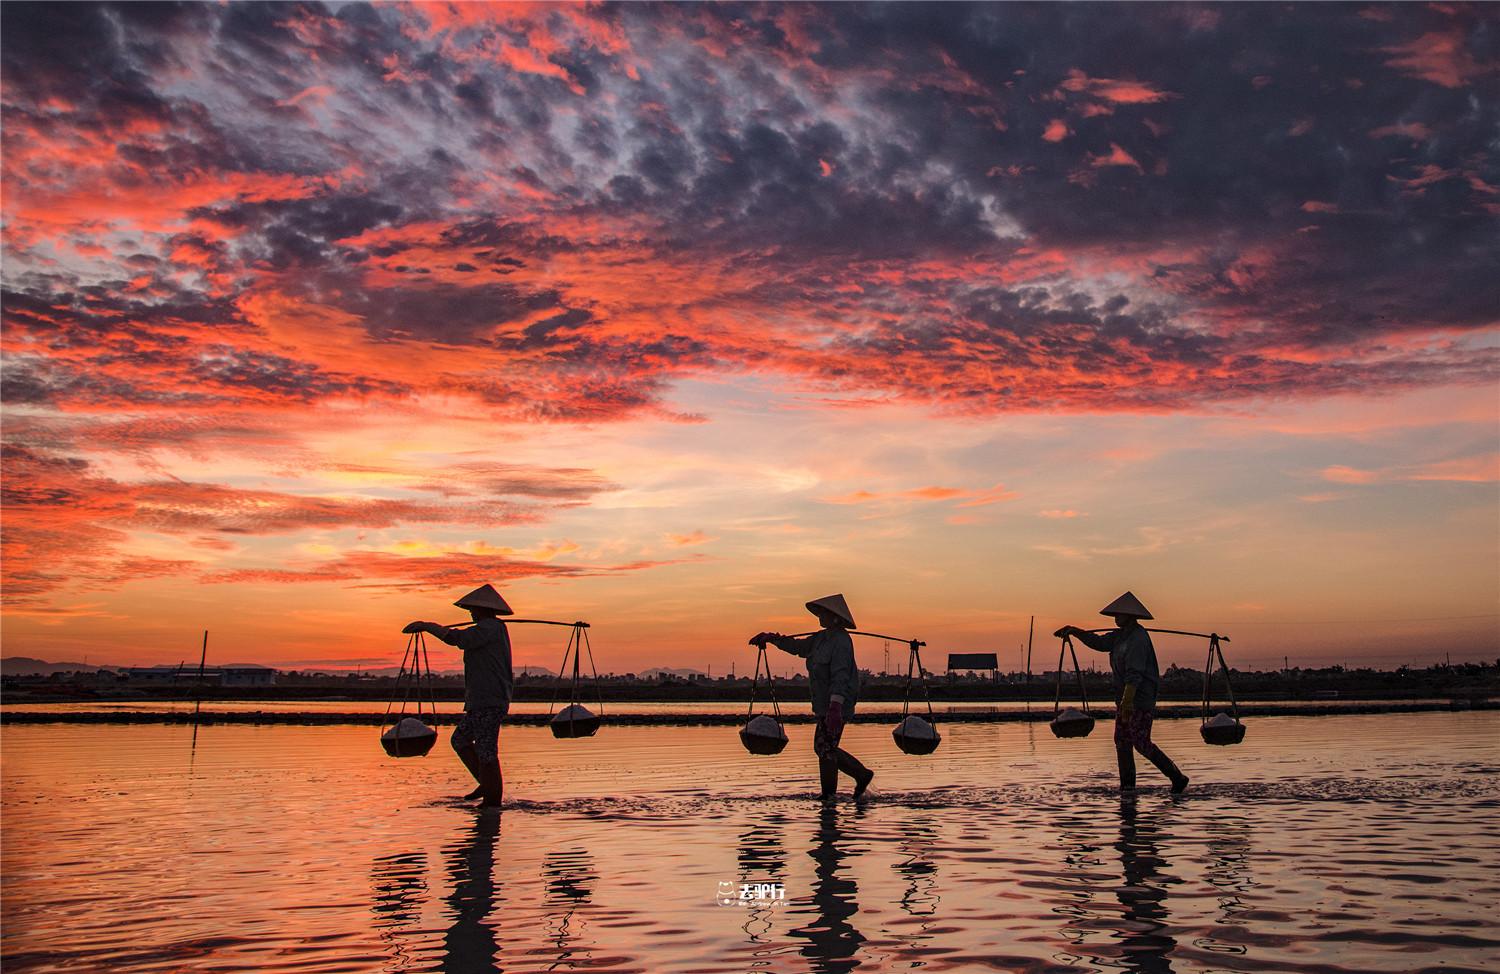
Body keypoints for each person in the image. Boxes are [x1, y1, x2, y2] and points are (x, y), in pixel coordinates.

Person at [1055, 591, 1189, 795]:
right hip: (1125, 699)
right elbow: (1099, 643)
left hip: (1139, 698)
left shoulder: (1138, 638)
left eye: (1119, 614)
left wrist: (1128, 702)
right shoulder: (1119, 636)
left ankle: (1177, 777)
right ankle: (1127, 787)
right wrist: (1075, 631)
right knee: (1122, 741)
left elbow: (1134, 674)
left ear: (1129, 615)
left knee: (1141, 742)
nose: (1116, 618)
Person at [750, 594, 874, 802]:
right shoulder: (820, 638)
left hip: (837, 703)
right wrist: (772, 638)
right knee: (825, 748)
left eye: (823, 613)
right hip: (824, 704)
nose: (819, 617)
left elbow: (841, 674)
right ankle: (830, 794)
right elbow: (799, 648)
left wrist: (836, 705)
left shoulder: (842, 641)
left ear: (834, 617)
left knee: (824, 747)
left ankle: (858, 776)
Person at [405, 583, 514, 808]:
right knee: (460, 740)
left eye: (473, 610)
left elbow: (459, 640)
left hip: (490, 700)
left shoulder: (490, 628)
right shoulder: (488, 628)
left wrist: (429, 626)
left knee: (486, 750)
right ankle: (486, 784)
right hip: (480, 700)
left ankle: (492, 802)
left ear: (484, 609)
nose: (471, 613)